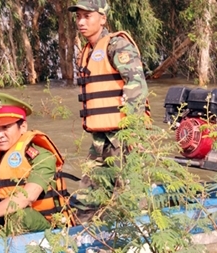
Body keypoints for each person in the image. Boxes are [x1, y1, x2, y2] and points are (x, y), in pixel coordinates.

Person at [68, 0, 150, 218]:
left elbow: (137, 86)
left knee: (131, 197)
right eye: (78, 17)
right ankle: (86, 237)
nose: (81, 22)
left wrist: (132, 129)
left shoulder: (118, 46)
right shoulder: (86, 51)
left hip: (123, 136)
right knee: (86, 198)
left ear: (102, 18)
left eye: (87, 16)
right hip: (100, 138)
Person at [0, 92, 74, 239]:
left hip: (44, 225)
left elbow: (27, 197)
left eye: (5, 127)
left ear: (23, 126)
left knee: (17, 215)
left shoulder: (42, 156)